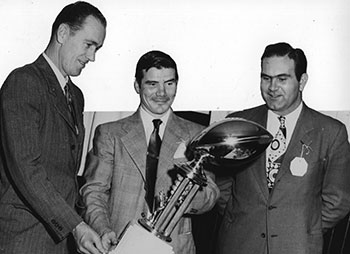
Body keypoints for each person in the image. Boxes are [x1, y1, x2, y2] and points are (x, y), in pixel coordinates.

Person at [216, 42, 350, 254]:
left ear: (302, 81)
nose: (272, 88)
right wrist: (239, 218)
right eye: (266, 78)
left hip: (297, 246)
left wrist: (304, 229)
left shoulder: (331, 132)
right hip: (239, 244)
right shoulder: (237, 123)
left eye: (282, 79)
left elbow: (338, 201)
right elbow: (222, 184)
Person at [80, 50, 220, 254]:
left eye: (169, 83)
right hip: (118, 244)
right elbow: (94, 191)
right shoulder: (110, 134)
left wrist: (184, 194)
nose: (162, 93)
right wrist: (103, 229)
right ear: (137, 85)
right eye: (152, 84)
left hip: (176, 247)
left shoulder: (197, 134)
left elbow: (211, 193)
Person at [0, 2, 107, 254]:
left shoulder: (76, 96)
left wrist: (93, 226)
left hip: (62, 241)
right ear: (62, 33)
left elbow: (66, 177)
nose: (92, 57)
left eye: (97, 49)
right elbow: (27, 170)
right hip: (25, 240)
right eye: (88, 44)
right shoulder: (24, 81)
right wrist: (76, 226)